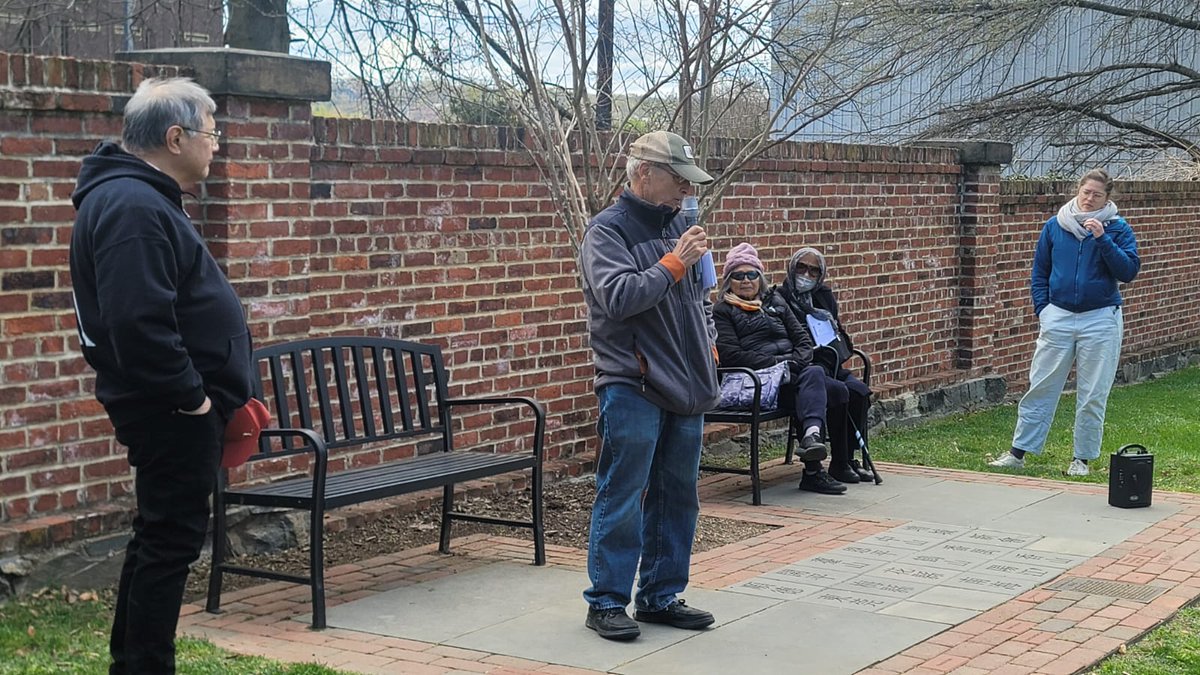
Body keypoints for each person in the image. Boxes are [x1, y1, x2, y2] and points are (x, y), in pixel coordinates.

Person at [69, 77, 254, 674]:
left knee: (159, 541)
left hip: (172, 409)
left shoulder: (140, 198)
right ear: (175, 137)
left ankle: (134, 665)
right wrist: (194, 402)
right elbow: (138, 325)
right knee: (168, 547)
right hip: (170, 413)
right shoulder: (132, 206)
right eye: (211, 131)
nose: (217, 144)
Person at [578, 130, 720, 641]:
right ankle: (607, 602)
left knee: (678, 495)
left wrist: (709, 344)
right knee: (623, 493)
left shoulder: (679, 226)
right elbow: (617, 297)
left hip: (687, 384)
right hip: (632, 384)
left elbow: (702, 296)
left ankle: (660, 596)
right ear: (643, 173)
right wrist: (673, 263)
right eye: (677, 180)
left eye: (688, 183)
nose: (685, 191)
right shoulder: (607, 232)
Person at [989, 169, 1140, 476]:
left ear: (1107, 198)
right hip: (1057, 314)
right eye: (1086, 192)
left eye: (1097, 195)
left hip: (1100, 318)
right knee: (1042, 385)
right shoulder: (1056, 225)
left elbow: (1127, 271)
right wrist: (1043, 309)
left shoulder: (1117, 229)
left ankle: (1081, 459)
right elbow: (1040, 270)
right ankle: (1018, 452)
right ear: (1078, 191)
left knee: (1092, 392)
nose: (1089, 199)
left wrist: (1102, 239)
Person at [713, 243, 848, 496]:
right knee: (826, 384)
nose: (746, 280)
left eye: (752, 274)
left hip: (790, 376)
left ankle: (823, 450)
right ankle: (813, 464)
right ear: (728, 281)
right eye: (738, 275)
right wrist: (779, 365)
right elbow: (731, 355)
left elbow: (803, 340)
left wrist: (793, 362)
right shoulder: (723, 311)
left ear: (760, 278)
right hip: (756, 382)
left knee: (830, 385)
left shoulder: (774, 301)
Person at [777, 247, 875, 484]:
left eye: (813, 270)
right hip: (805, 365)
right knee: (831, 389)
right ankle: (826, 464)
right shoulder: (781, 298)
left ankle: (846, 459)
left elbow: (839, 332)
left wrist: (836, 341)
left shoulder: (824, 297)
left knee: (859, 392)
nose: (806, 275)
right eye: (801, 267)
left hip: (830, 361)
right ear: (792, 268)